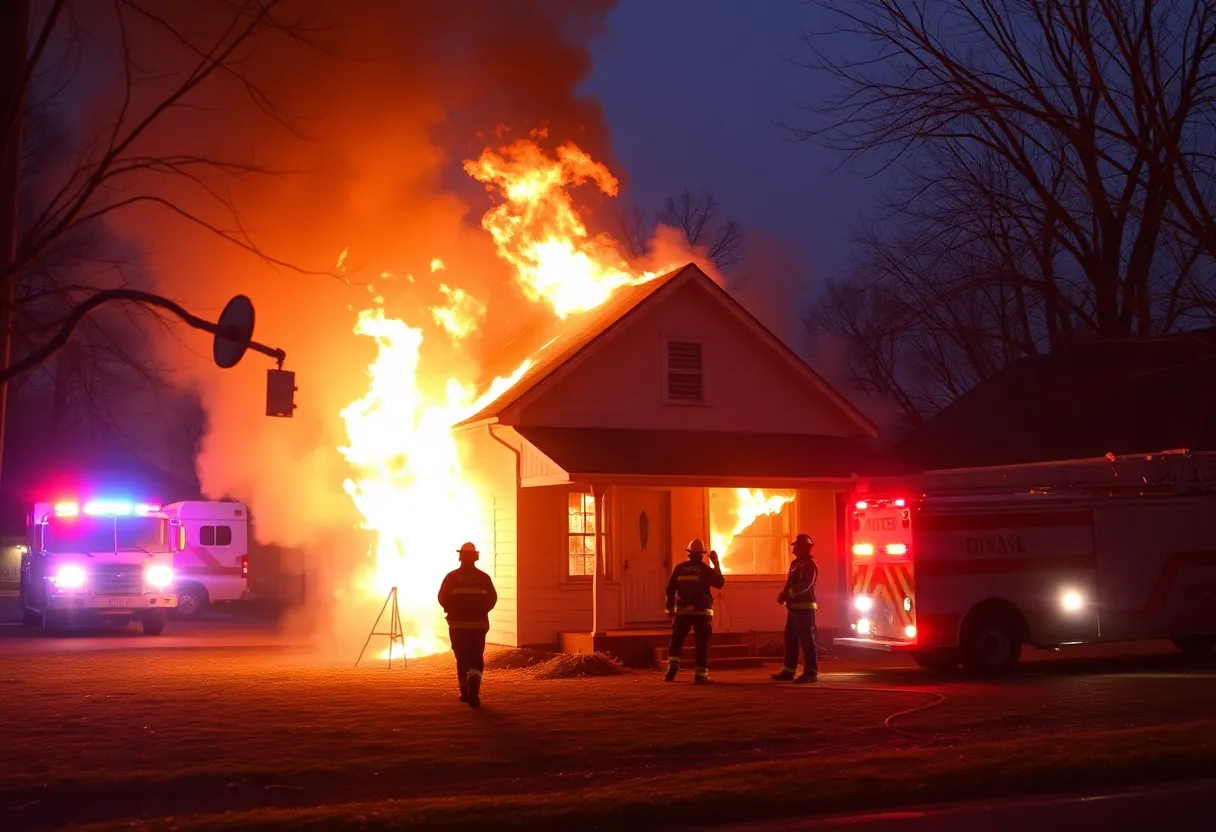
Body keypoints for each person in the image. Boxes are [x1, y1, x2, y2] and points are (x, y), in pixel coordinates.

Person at [437, 542, 498, 707]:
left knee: (461, 657)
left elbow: (442, 597)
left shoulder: (451, 577)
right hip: (478, 625)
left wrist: (452, 610)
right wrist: (481, 611)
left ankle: (465, 691)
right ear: (476, 557)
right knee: (476, 656)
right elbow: (492, 599)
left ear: (460, 557)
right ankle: (474, 689)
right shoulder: (484, 578)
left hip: (457, 625)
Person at [663, 538, 725, 685]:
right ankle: (700, 675)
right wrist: (716, 563)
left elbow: (670, 589)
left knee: (677, 639)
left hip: (683, 612)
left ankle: (672, 668)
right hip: (701, 612)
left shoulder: (679, 568)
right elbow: (720, 583)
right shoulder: (705, 570)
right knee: (701, 642)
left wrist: (669, 606)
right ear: (702, 554)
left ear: (689, 553)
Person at [771, 533, 819, 683]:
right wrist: (783, 594)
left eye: (797, 546)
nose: (794, 549)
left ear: (805, 547)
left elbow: (805, 584)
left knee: (807, 641)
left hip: (805, 609)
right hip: (793, 609)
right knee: (791, 640)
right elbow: (789, 583)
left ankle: (811, 673)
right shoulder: (795, 564)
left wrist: (789, 594)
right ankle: (788, 671)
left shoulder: (809, 564)